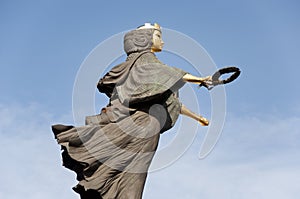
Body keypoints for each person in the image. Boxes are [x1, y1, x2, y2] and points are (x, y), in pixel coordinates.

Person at [52, 23, 212, 199]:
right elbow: (170, 73)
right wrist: (200, 79)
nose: (163, 42)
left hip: (145, 128)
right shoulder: (145, 61)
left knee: (132, 171)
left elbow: (171, 102)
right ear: (145, 40)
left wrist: (197, 117)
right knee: (134, 172)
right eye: (159, 36)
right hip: (142, 125)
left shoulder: (141, 70)